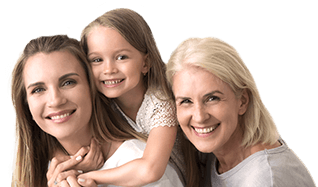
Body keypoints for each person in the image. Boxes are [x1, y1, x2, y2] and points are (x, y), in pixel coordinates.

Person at [9, 34, 183, 187]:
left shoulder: (139, 165)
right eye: (38, 89)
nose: (55, 101)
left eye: (68, 82)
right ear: (26, 104)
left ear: (92, 87)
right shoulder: (46, 170)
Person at [166, 36, 316, 186]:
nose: (199, 117)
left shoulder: (265, 179)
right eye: (186, 101)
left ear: (243, 101)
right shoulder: (216, 153)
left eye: (212, 98)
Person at [77, 8, 185, 186]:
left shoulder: (161, 103)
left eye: (121, 57)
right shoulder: (102, 103)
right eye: (97, 60)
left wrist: (92, 177)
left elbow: (150, 170)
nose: (109, 69)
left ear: (145, 63)